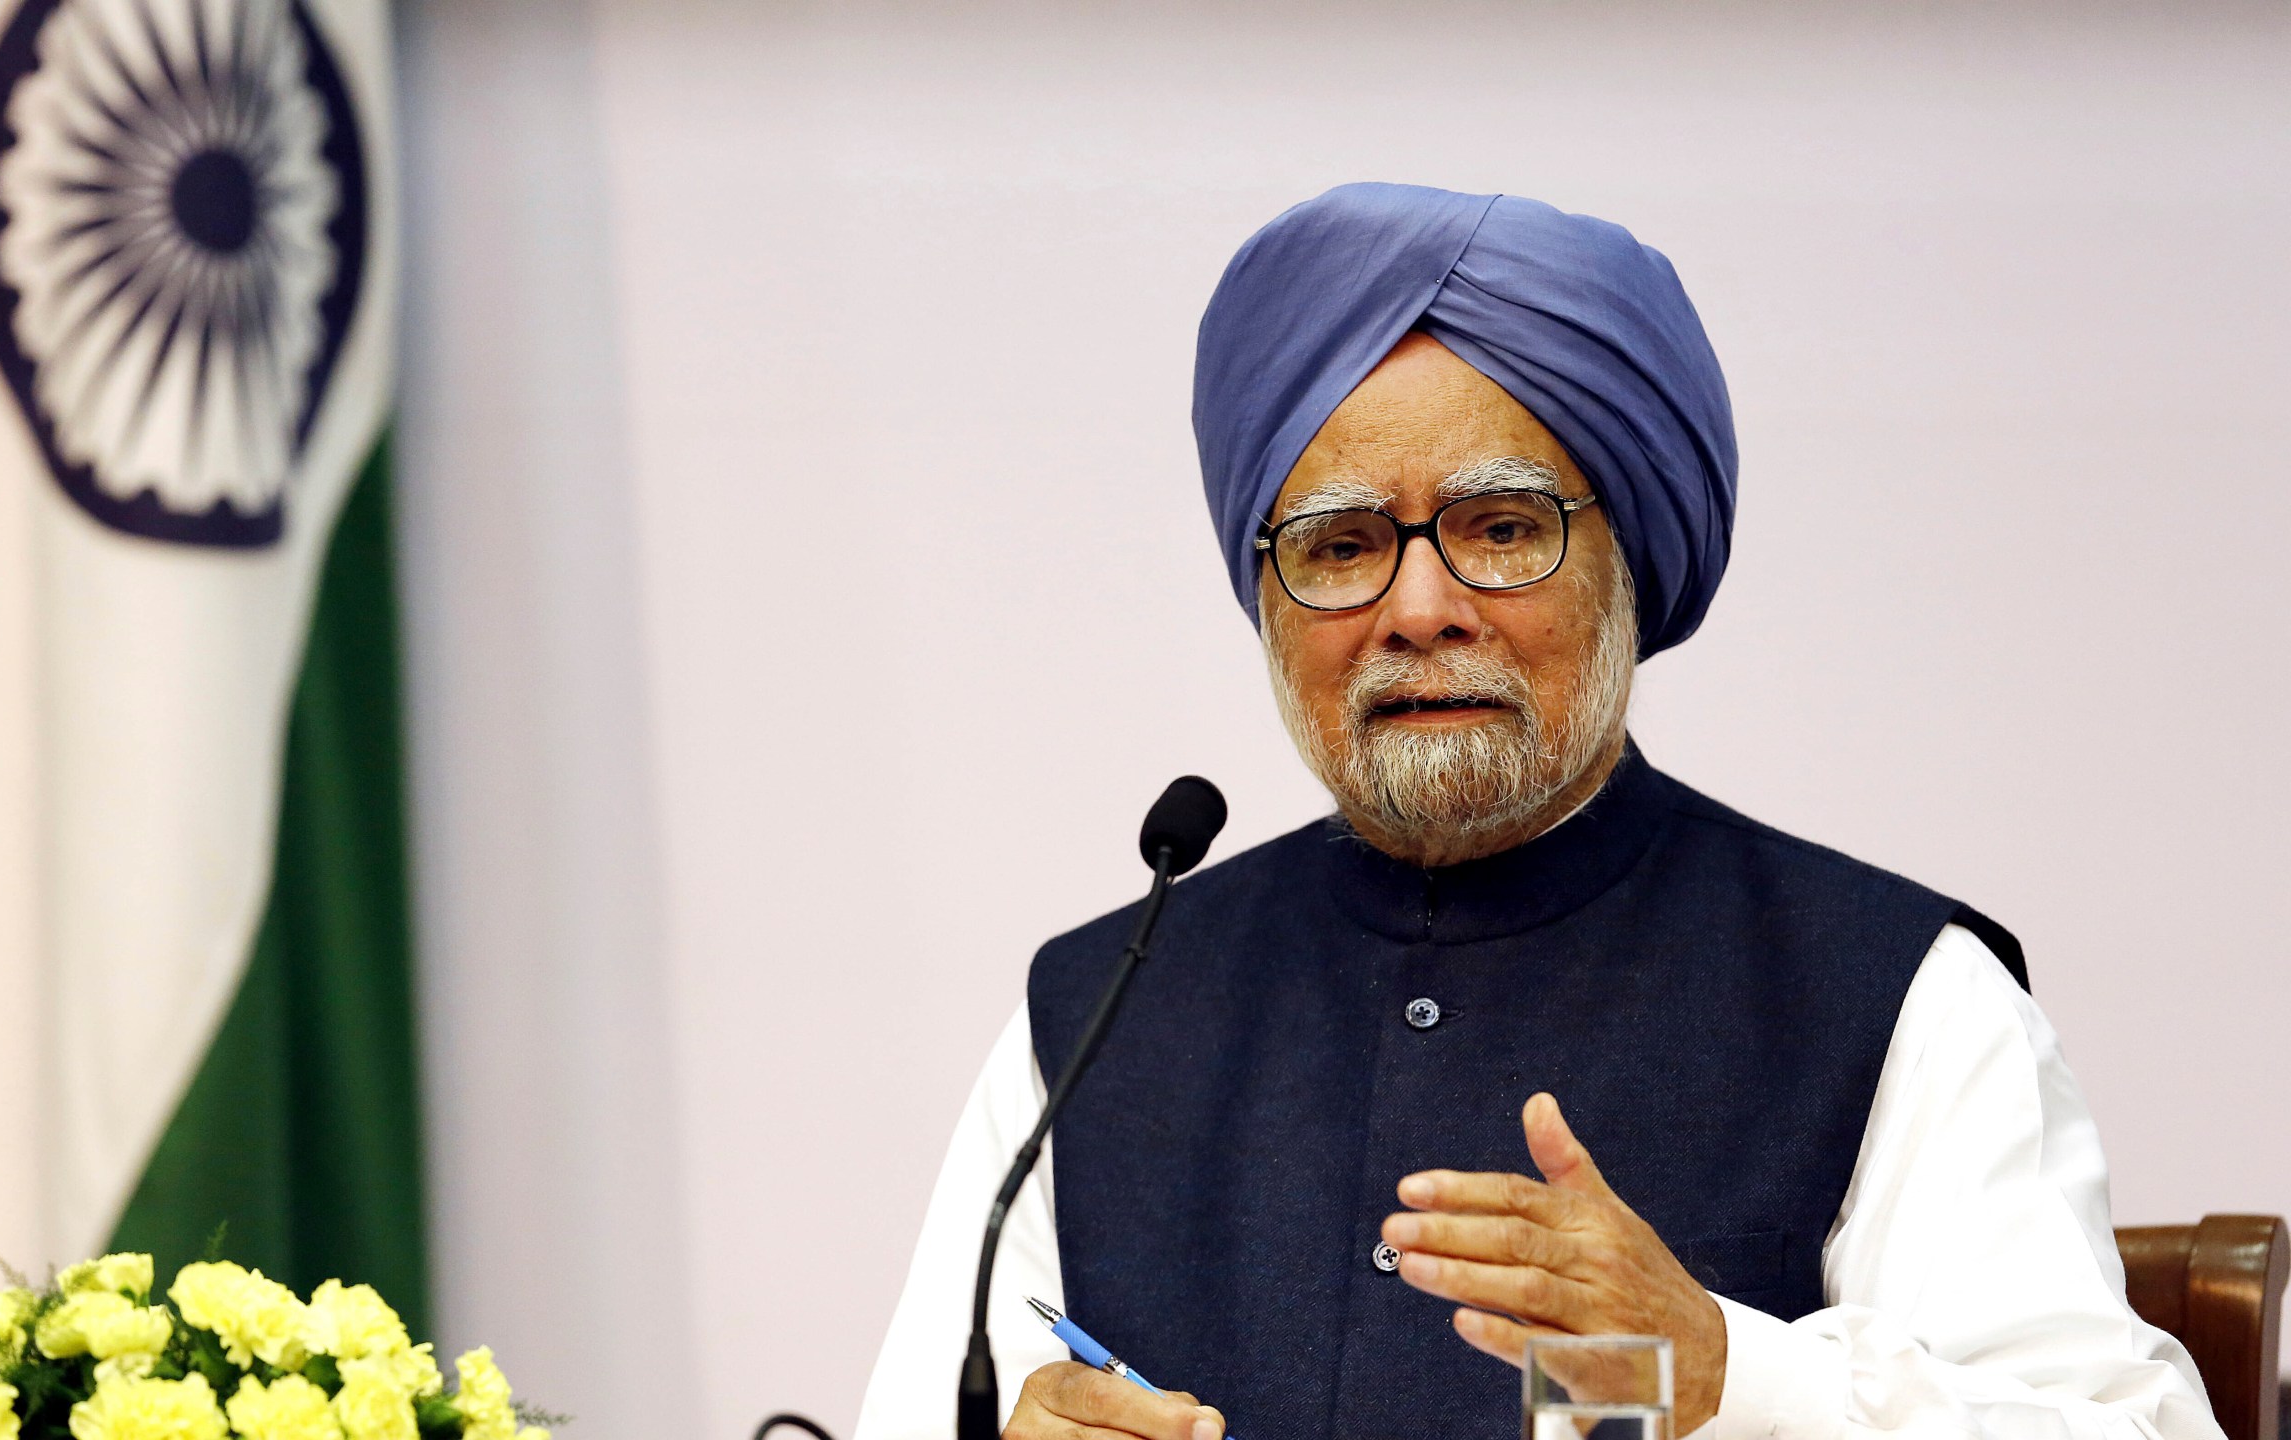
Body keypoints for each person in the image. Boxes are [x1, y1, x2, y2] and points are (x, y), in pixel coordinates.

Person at [856, 184, 2219, 1440]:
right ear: (1265, 600)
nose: (1418, 608)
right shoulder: (1098, 1011)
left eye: (1501, 528)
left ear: (1625, 561)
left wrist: (1728, 1370)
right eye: (1340, 546)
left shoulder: (1890, 989)